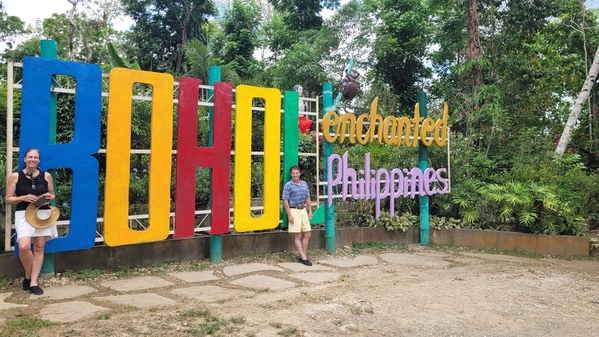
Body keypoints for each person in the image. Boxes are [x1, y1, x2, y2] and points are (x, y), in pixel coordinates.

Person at [5, 148, 57, 295]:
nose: (33, 160)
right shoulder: (15, 176)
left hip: (43, 213)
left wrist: (49, 196)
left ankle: (33, 282)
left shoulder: (46, 176)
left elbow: (52, 195)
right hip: (23, 214)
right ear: (25, 159)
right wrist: (23, 197)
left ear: (39, 160)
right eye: (30, 157)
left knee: (40, 247)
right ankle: (29, 274)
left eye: (35, 157)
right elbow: (8, 199)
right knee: (23, 246)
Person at [282, 165, 313, 266]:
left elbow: (307, 197)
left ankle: (302, 255)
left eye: (297, 173)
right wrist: (289, 215)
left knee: (307, 233)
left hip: (303, 209)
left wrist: (310, 211)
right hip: (293, 209)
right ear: (291, 174)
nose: (295, 175)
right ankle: (303, 257)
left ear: (299, 173)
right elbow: (285, 200)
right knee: (297, 235)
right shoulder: (288, 185)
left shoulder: (304, 184)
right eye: (293, 173)